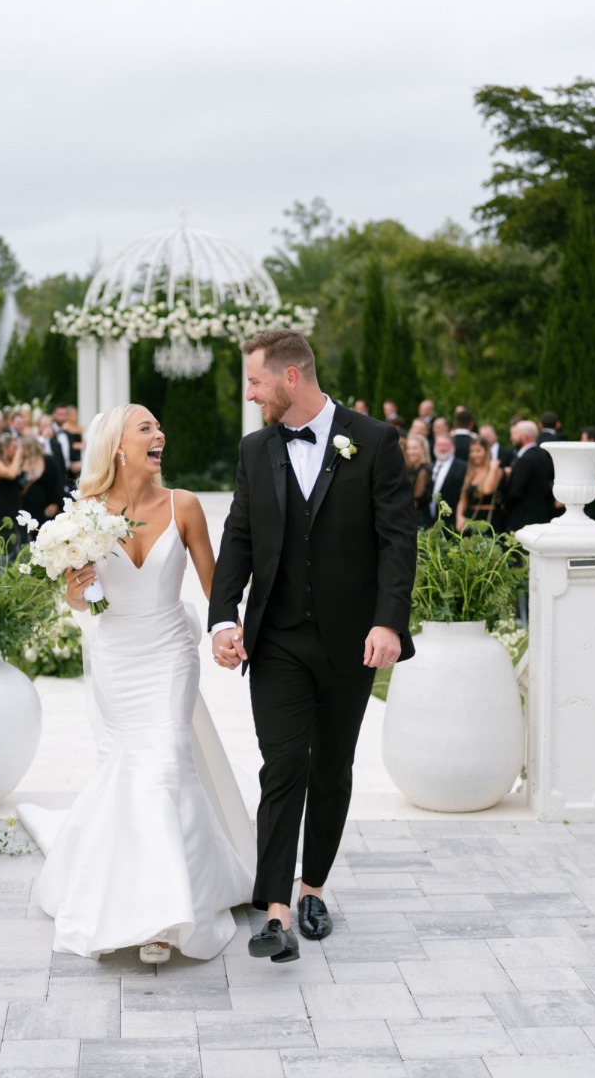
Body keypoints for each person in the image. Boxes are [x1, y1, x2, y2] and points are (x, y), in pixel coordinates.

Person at [209, 329, 417, 964]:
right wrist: (222, 619)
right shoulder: (255, 451)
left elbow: (397, 540)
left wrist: (388, 622)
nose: (250, 395)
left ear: (290, 379)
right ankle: (273, 910)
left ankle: (312, 888)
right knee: (283, 766)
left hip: (352, 642)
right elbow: (239, 537)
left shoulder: (375, 441)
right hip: (276, 641)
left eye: (256, 383)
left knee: (330, 768)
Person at [22, 405, 254, 964]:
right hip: (117, 657)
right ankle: (131, 890)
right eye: (146, 427)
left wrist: (229, 629)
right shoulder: (84, 515)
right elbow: (84, 601)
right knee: (133, 769)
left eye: (159, 425)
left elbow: (215, 585)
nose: (160, 434)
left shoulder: (186, 506)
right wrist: (77, 589)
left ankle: (162, 918)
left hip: (171, 651)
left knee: (167, 759)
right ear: (118, 446)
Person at [503, 420, 556, 532]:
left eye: (515, 434)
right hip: (542, 515)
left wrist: (504, 503)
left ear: (524, 437)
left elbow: (516, 491)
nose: (511, 438)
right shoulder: (542, 455)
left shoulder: (525, 459)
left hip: (524, 518)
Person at [455, 436, 504, 533]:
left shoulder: (495, 470)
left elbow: (487, 490)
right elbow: (463, 498)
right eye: (472, 451)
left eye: (478, 451)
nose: (474, 455)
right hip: (471, 517)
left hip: (489, 520)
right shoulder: (471, 471)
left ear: (486, 451)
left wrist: (493, 468)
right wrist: (459, 516)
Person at [428, 433, 466, 528]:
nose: (442, 448)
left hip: (452, 523)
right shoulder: (429, 467)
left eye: (446, 445)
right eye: (439, 445)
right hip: (429, 521)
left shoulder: (463, 467)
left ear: (453, 447)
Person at [0, 432, 24, 529]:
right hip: (4, 508)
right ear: (4, 448)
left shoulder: (12, 463)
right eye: (14, 448)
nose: (16, 451)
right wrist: (17, 456)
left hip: (16, 505)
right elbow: (11, 474)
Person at [405, 433, 433, 529]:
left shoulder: (423, 471)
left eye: (414, 448)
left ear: (423, 449)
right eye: (408, 448)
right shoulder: (412, 468)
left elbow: (415, 500)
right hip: (411, 517)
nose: (410, 452)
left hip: (419, 521)